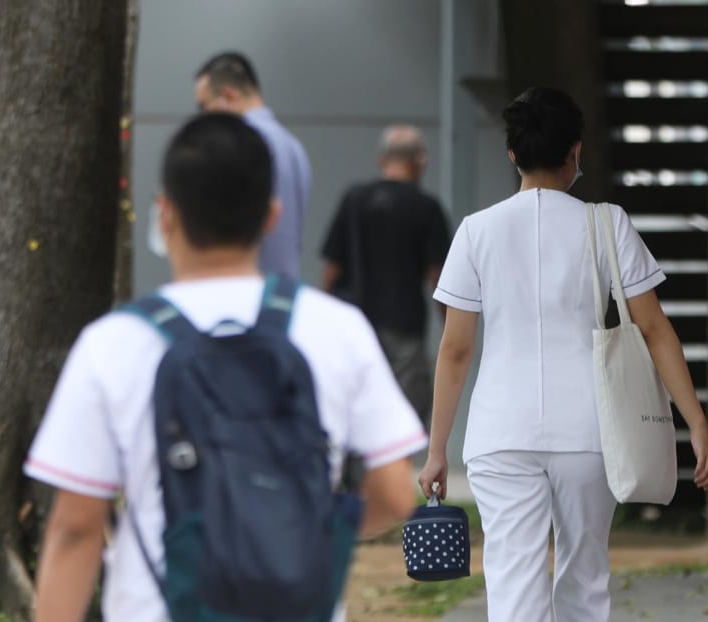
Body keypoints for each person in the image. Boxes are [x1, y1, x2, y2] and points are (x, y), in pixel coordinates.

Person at [26, 113, 426, 622]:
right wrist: (297, 536)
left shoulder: (112, 343)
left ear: (165, 214)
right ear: (272, 216)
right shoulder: (337, 328)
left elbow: (76, 527)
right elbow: (393, 494)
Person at [418, 87, 708, 622]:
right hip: (589, 429)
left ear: (512, 154)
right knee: (585, 578)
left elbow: (456, 349)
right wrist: (694, 420)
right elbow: (654, 329)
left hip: (500, 431)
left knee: (514, 582)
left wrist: (438, 447)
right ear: (575, 152)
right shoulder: (607, 223)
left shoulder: (475, 231)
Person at [321, 125, 450, 426]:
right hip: (405, 326)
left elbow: (332, 266)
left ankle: (357, 470)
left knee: (355, 405)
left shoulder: (353, 199)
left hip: (355, 322)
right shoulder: (427, 207)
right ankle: (394, 469)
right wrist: (449, 327)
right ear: (421, 160)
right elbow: (438, 276)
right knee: (404, 414)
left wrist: (326, 319)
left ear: (382, 159)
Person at [194, 51, 311, 278]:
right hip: (283, 292)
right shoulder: (294, 147)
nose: (203, 119)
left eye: (204, 107)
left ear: (227, 96)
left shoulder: (238, 145)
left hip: (244, 294)